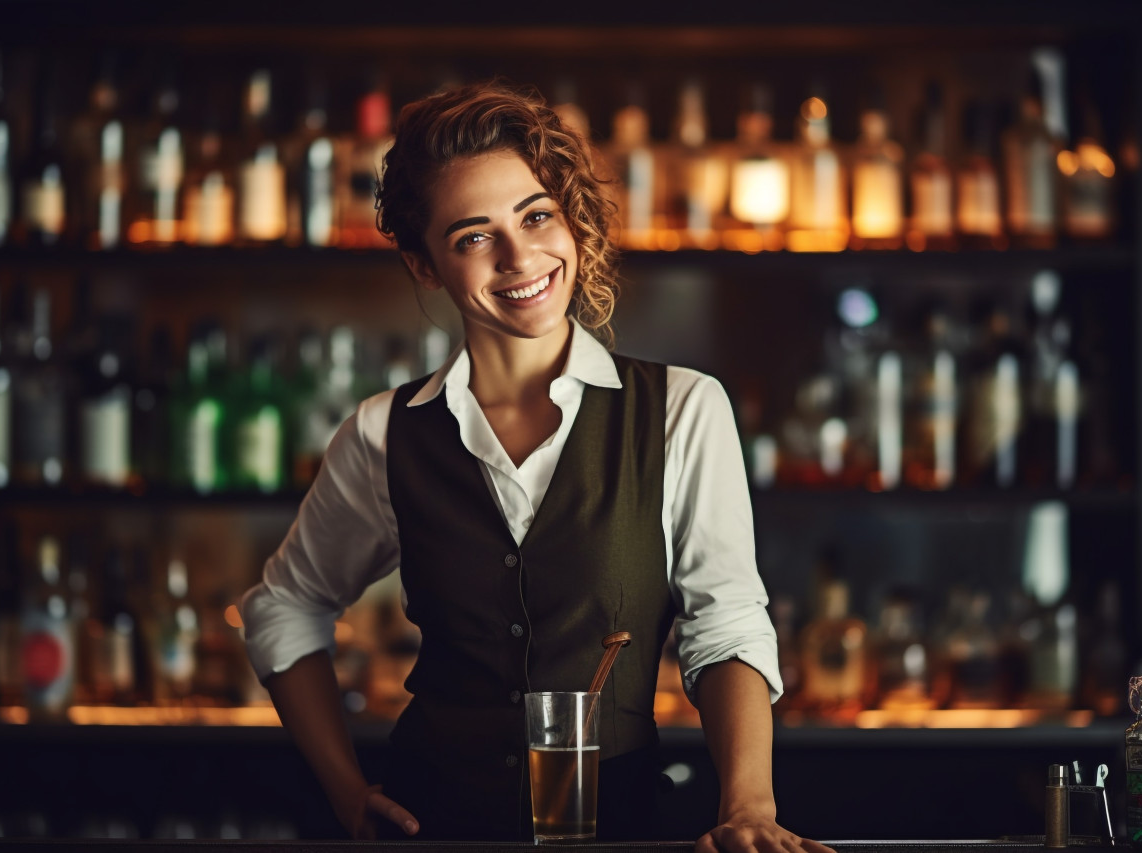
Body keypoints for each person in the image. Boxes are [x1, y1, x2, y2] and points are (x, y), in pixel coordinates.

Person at [240, 80, 833, 853]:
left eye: (536, 216)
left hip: (616, 832)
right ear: (425, 266)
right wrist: (346, 790)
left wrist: (749, 803)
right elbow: (282, 606)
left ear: (570, 220)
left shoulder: (682, 409)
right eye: (473, 237)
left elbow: (724, 626)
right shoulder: (386, 433)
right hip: (435, 830)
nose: (521, 257)